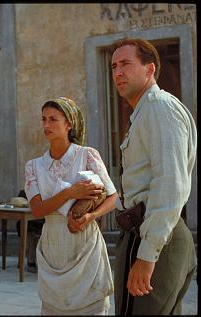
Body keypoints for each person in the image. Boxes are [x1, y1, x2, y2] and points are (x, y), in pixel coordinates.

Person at [110, 38, 197, 315]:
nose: (118, 72)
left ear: (149, 70)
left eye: (125, 64)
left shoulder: (160, 108)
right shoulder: (145, 111)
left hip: (155, 236)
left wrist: (147, 255)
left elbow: (169, 186)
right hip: (145, 232)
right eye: (113, 66)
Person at [24, 97, 118, 315]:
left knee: (91, 307)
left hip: (85, 242)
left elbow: (113, 198)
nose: (46, 125)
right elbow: (37, 210)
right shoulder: (33, 167)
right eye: (44, 119)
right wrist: (70, 192)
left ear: (69, 124)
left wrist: (91, 216)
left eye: (53, 120)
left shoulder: (88, 156)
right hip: (53, 245)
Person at [15, 189, 44, 273]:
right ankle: (30, 261)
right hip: (28, 222)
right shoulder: (24, 192)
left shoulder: (46, 190)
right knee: (30, 231)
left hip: (43, 222)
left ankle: (31, 261)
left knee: (35, 231)